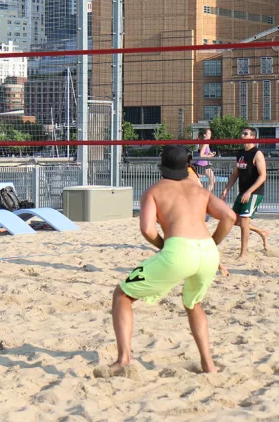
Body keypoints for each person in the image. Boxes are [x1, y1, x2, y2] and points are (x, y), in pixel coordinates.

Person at [97, 145, 237, 377]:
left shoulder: (154, 190)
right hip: (208, 253)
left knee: (122, 294)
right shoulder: (200, 191)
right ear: (188, 166)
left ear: (160, 167)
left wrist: (164, 246)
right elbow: (229, 217)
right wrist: (213, 242)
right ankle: (208, 365)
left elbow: (147, 229)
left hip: (179, 251)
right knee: (193, 304)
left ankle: (123, 360)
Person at [221, 127, 271, 260]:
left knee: (243, 222)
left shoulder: (257, 153)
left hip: (254, 192)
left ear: (252, 137)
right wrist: (227, 188)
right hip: (242, 192)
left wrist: (249, 191)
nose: (242, 135)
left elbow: (263, 176)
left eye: (245, 133)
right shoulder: (241, 153)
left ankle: (243, 254)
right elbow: (235, 174)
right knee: (235, 220)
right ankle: (262, 232)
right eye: (242, 133)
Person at [194, 128, 217, 193]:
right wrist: (210, 156)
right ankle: (205, 195)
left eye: (210, 133)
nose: (210, 135)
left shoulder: (205, 142)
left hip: (203, 165)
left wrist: (210, 153)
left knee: (211, 181)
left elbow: (204, 152)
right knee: (212, 181)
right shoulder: (205, 142)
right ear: (204, 135)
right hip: (202, 165)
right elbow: (201, 155)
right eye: (209, 133)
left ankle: (204, 195)